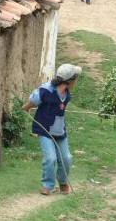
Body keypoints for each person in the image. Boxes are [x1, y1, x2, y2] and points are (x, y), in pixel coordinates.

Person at [22, 63, 82, 196]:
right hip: (45, 130)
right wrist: (25, 108)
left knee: (66, 158)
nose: (75, 82)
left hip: (60, 130)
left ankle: (62, 182)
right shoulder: (46, 90)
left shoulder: (67, 94)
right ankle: (47, 184)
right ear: (69, 80)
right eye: (75, 79)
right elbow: (34, 100)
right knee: (50, 158)